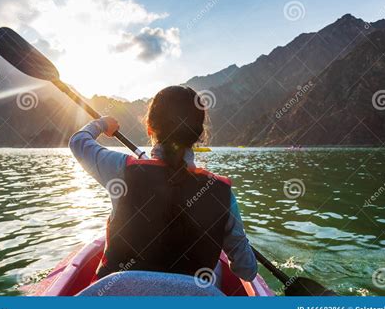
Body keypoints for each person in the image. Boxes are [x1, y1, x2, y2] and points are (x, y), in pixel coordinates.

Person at [69, 86, 257, 282]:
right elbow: (247, 271)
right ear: (199, 135)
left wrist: (101, 124)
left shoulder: (123, 169)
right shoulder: (221, 191)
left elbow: (78, 142)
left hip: (117, 299)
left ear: (149, 128)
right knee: (217, 271)